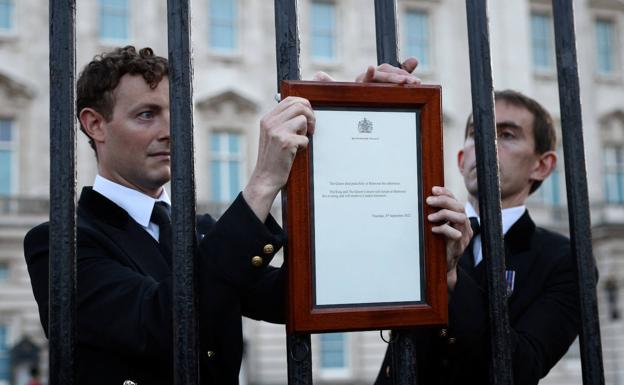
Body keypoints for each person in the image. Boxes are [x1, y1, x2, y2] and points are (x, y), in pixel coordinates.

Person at [24, 46, 439, 384]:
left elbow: (304, 297)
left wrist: (351, 128)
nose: (171, 130)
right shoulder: (59, 242)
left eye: (175, 114)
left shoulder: (199, 233)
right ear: (95, 124)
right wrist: (261, 185)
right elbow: (162, 323)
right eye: (147, 114)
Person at [375, 90, 580, 385]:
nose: (485, 143)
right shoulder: (412, 229)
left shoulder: (563, 260)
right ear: (460, 160)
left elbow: (522, 367)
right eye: (475, 133)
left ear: (542, 165)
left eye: (507, 135)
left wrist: (452, 279)